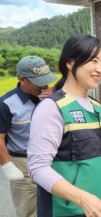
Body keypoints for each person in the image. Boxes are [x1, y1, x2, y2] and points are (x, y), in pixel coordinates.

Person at [27, 35, 101, 217]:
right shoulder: (52, 108)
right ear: (70, 63)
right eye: (94, 61)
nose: (100, 69)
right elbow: (38, 168)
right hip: (68, 210)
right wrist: (82, 198)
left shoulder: (97, 107)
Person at [0, 55, 57, 217]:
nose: (45, 85)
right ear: (22, 80)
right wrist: (7, 166)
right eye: (39, 82)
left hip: (50, 158)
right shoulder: (6, 104)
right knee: (28, 210)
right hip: (23, 163)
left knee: (53, 206)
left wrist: (51, 101)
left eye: (46, 80)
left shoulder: (49, 97)